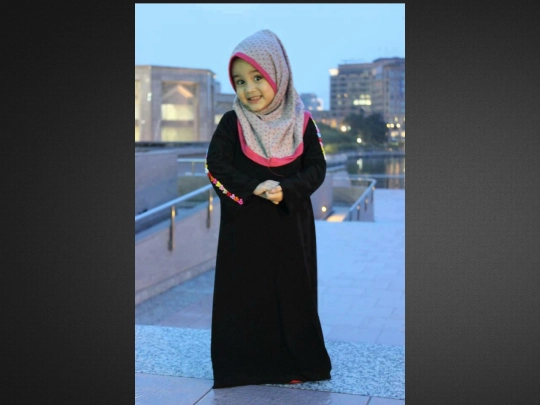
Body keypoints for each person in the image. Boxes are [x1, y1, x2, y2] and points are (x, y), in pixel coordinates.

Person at [205, 29, 332, 389]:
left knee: (292, 295)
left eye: (257, 77)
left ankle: (295, 364)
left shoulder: (302, 122)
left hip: (291, 228)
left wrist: (287, 190)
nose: (249, 89)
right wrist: (253, 187)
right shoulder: (233, 123)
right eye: (240, 81)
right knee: (246, 296)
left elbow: (317, 168)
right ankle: (246, 369)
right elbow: (215, 165)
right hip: (245, 230)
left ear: (278, 72)